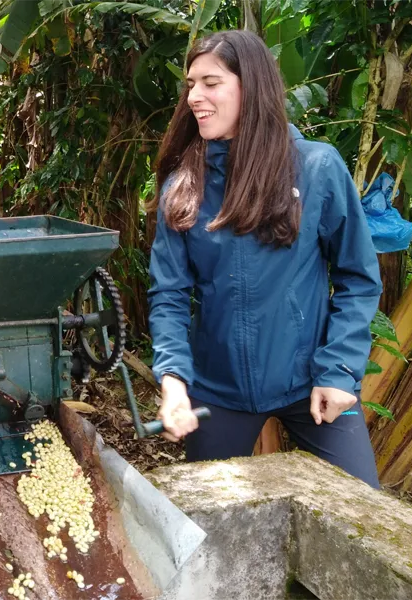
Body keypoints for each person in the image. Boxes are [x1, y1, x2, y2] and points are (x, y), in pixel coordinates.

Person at [147, 29, 383, 488]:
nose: (195, 96)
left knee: (368, 510)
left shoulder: (316, 168)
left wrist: (339, 371)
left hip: (310, 380)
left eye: (210, 83)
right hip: (218, 391)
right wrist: (174, 380)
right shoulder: (183, 186)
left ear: (249, 86)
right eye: (191, 84)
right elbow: (169, 294)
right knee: (210, 527)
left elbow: (357, 277)